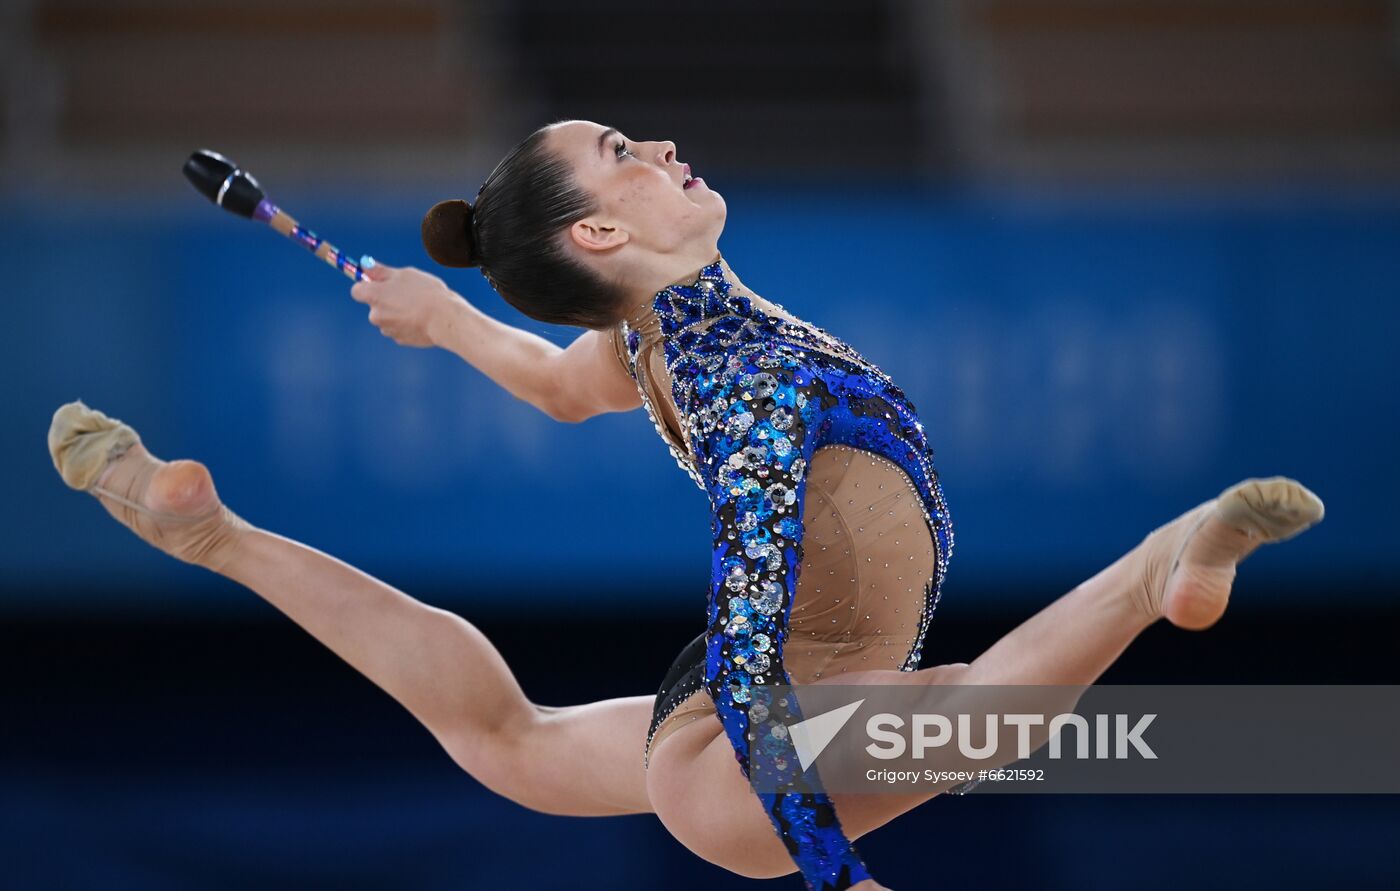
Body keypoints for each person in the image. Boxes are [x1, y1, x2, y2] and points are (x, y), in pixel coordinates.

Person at [48, 119, 1324, 891]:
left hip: (744, 709)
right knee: (975, 719)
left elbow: (555, 382)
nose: (658, 148)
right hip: (748, 752)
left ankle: (217, 541)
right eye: (621, 155)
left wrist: (447, 321)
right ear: (601, 237)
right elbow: (755, 649)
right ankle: (1154, 566)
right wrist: (835, 869)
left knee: (513, 744)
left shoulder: (661, 343)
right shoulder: (738, 384)